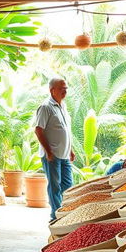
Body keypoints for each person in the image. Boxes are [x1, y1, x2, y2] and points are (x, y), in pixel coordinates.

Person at [34, 78, 74, 221]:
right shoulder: (45, 107)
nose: (65, 91)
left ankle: (66, 212)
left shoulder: (62, 106)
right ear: (52, 90)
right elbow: (38, 130)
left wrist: (71, 150)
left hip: (64, 155)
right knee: (55, 186)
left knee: (68, 186)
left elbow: (66, 130)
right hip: (52, 155)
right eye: (62, 88)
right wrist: (49, 152)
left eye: (66, 88)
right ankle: (56, 216)